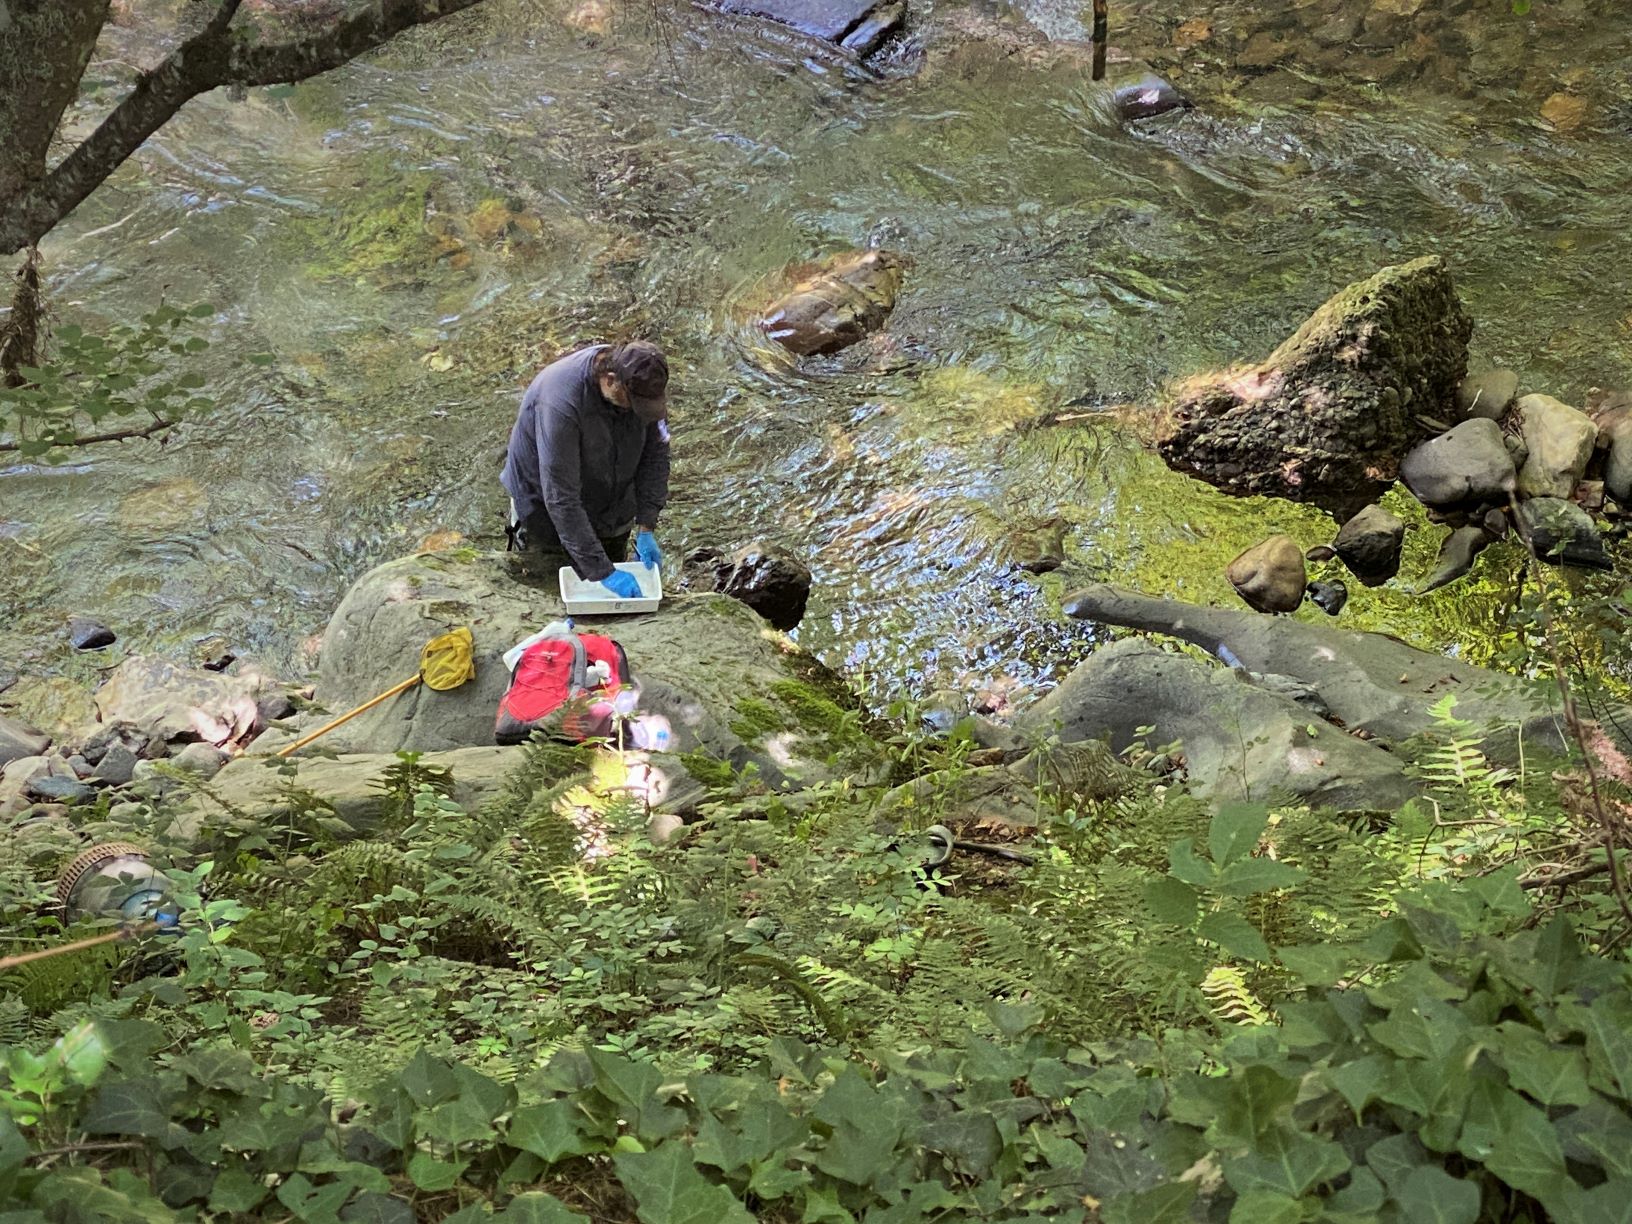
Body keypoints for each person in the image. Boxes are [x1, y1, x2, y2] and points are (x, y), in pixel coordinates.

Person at [501, 340, 671, 597]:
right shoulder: (560, 401)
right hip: (544, 510)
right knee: (546, 594)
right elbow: (560, 496)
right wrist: (602, 570)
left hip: (610, 501)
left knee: (613, 599)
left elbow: (656, 456)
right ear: (611, 380)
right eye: (633, 403)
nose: (640, 411)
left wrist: (647, 524)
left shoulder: (643, 386)